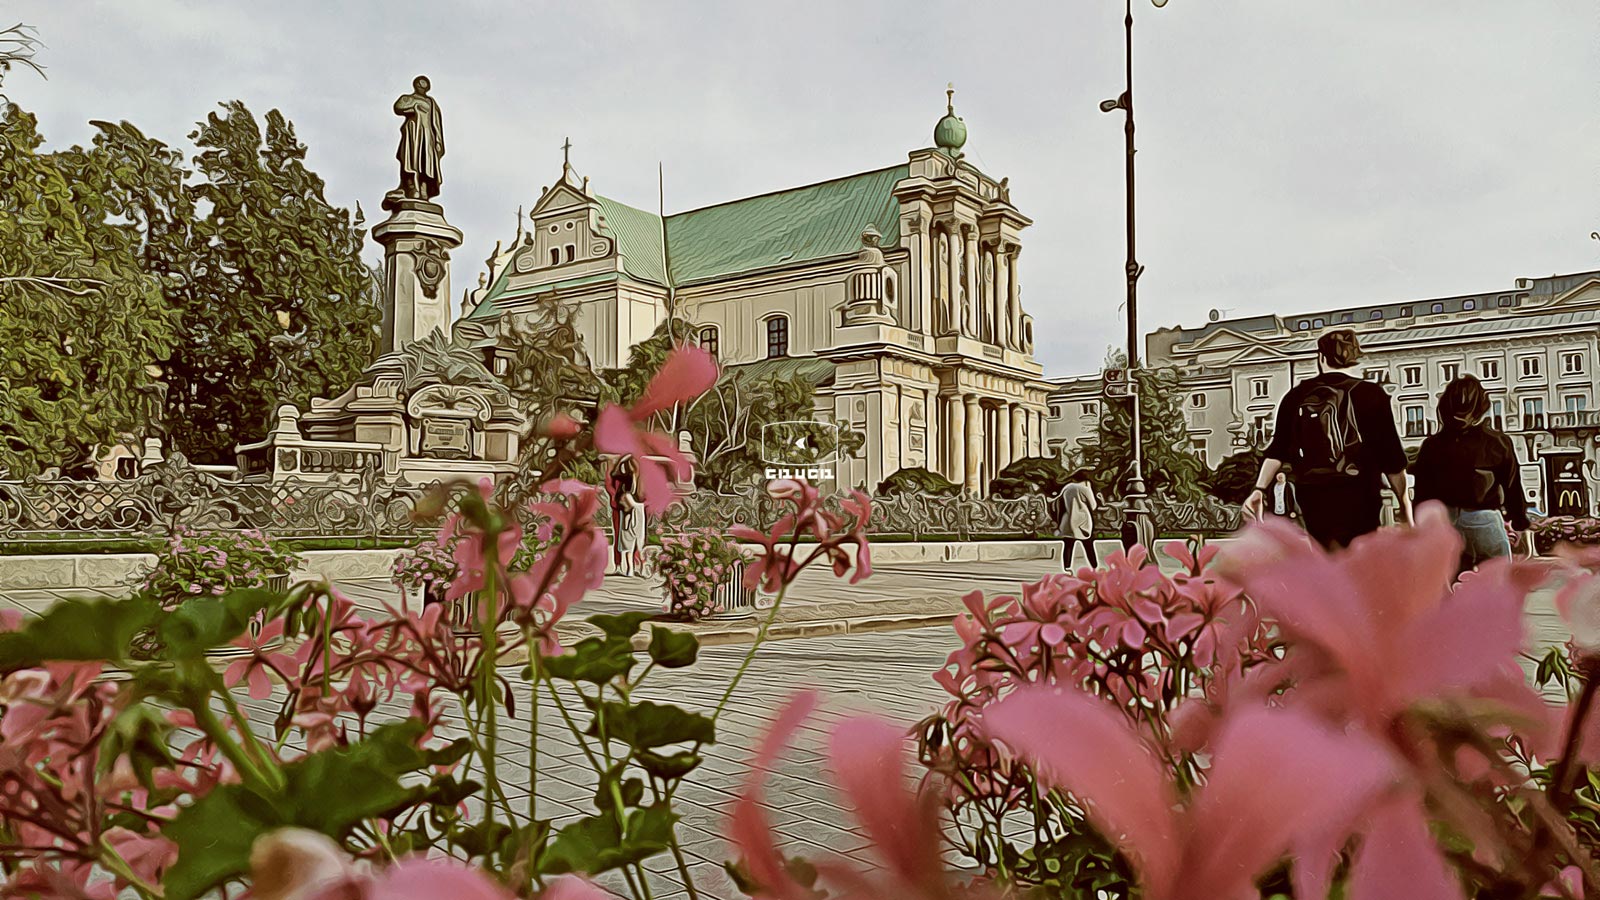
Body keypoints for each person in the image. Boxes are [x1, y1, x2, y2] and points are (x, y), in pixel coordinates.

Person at [1242, 329, 1411, 549]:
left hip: (1314, 497)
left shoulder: (1296, 396)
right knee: (1359, 560)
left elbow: (1277, 450)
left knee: (1326, 558)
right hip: (1360, 496)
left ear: (1321, 357)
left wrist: (1259, 489)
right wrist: (1404, 505)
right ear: (1354, 358)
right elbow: (1393, 459)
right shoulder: (1372, 394)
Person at [1412, 376, 1529, 573]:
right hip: (1484, 519)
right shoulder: (1498, 442)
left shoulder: (1432, 445)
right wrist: (1519, 520)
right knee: (1497, 586)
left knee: (1449, 589)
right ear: (1480, 408)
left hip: (1445, 522)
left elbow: (1422, 493)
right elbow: (1512, 487)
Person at [1055, 469, 1099, 570]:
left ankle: (1067, 567)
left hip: (1067, 519)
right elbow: (1093, 506)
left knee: (1068, 545)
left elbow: (1059, 505)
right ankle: (1094, 566)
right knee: (1088, 545)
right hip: (1082, 520)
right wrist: (1089, 488)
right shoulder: (1085, 489)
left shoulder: (1067, 488)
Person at [613, 456, 647, 577]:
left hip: (629, 515)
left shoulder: (627, 480)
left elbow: (614, 473)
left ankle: (631, 570)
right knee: (638, 545)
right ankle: (640, 570)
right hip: (636, 515)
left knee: (629, 546)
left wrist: (622, 460)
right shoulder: (640, 482)